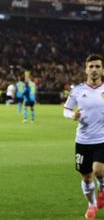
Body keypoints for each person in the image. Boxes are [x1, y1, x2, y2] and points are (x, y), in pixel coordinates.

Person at [63, 54, 104, 219]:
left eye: (97, 66)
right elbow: (66, 109)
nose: (94, 70)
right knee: (87, 178)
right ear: (86, 69)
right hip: (82, 140)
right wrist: (71, 116)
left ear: (102, 69)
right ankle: (91, 204)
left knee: (98, 171)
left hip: (102, 139)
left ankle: (102, 186)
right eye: (91, 66)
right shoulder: (77, 90)